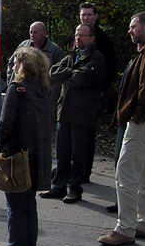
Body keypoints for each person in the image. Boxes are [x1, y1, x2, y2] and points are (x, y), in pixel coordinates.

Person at [98, 12, 145, 246]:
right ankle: (142, 223)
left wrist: (138, 115)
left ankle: (125, 228)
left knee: (126, 171)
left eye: (133, 26)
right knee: (144, 172)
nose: (130, 31)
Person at [0, 47, 53, 246]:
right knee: (29, 207)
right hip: (38, 155)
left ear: (23, 66)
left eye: (16, 62)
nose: (13, 67)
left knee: (15, 207)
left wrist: (0, 148)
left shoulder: (17, 89)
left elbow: (5, 123)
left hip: (18, 154)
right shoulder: (45, 91)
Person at [40, 24, 105, 204]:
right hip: (65, 111)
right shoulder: (71, 57)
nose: (78, 38)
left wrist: (68, 75)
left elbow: (81, 79)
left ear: (92, 38)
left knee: (78, 154)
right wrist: (70, 72)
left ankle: (74, 188)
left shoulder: (96, 58)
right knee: (62, 152)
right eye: (76, 34)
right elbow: (51, 73)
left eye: (83, 35)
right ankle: (58, 186)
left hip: (83, 114)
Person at [79, 2, 117, 182]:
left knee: (87, 135)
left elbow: (111, 68)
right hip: (76, 95)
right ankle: (74, 170)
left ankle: (84, 172)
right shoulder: (79, 35)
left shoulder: (103, 40)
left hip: (92, 95)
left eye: (89, 14)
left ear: (96, 16)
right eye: (83, 15)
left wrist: (101, 90)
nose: (86, 17)